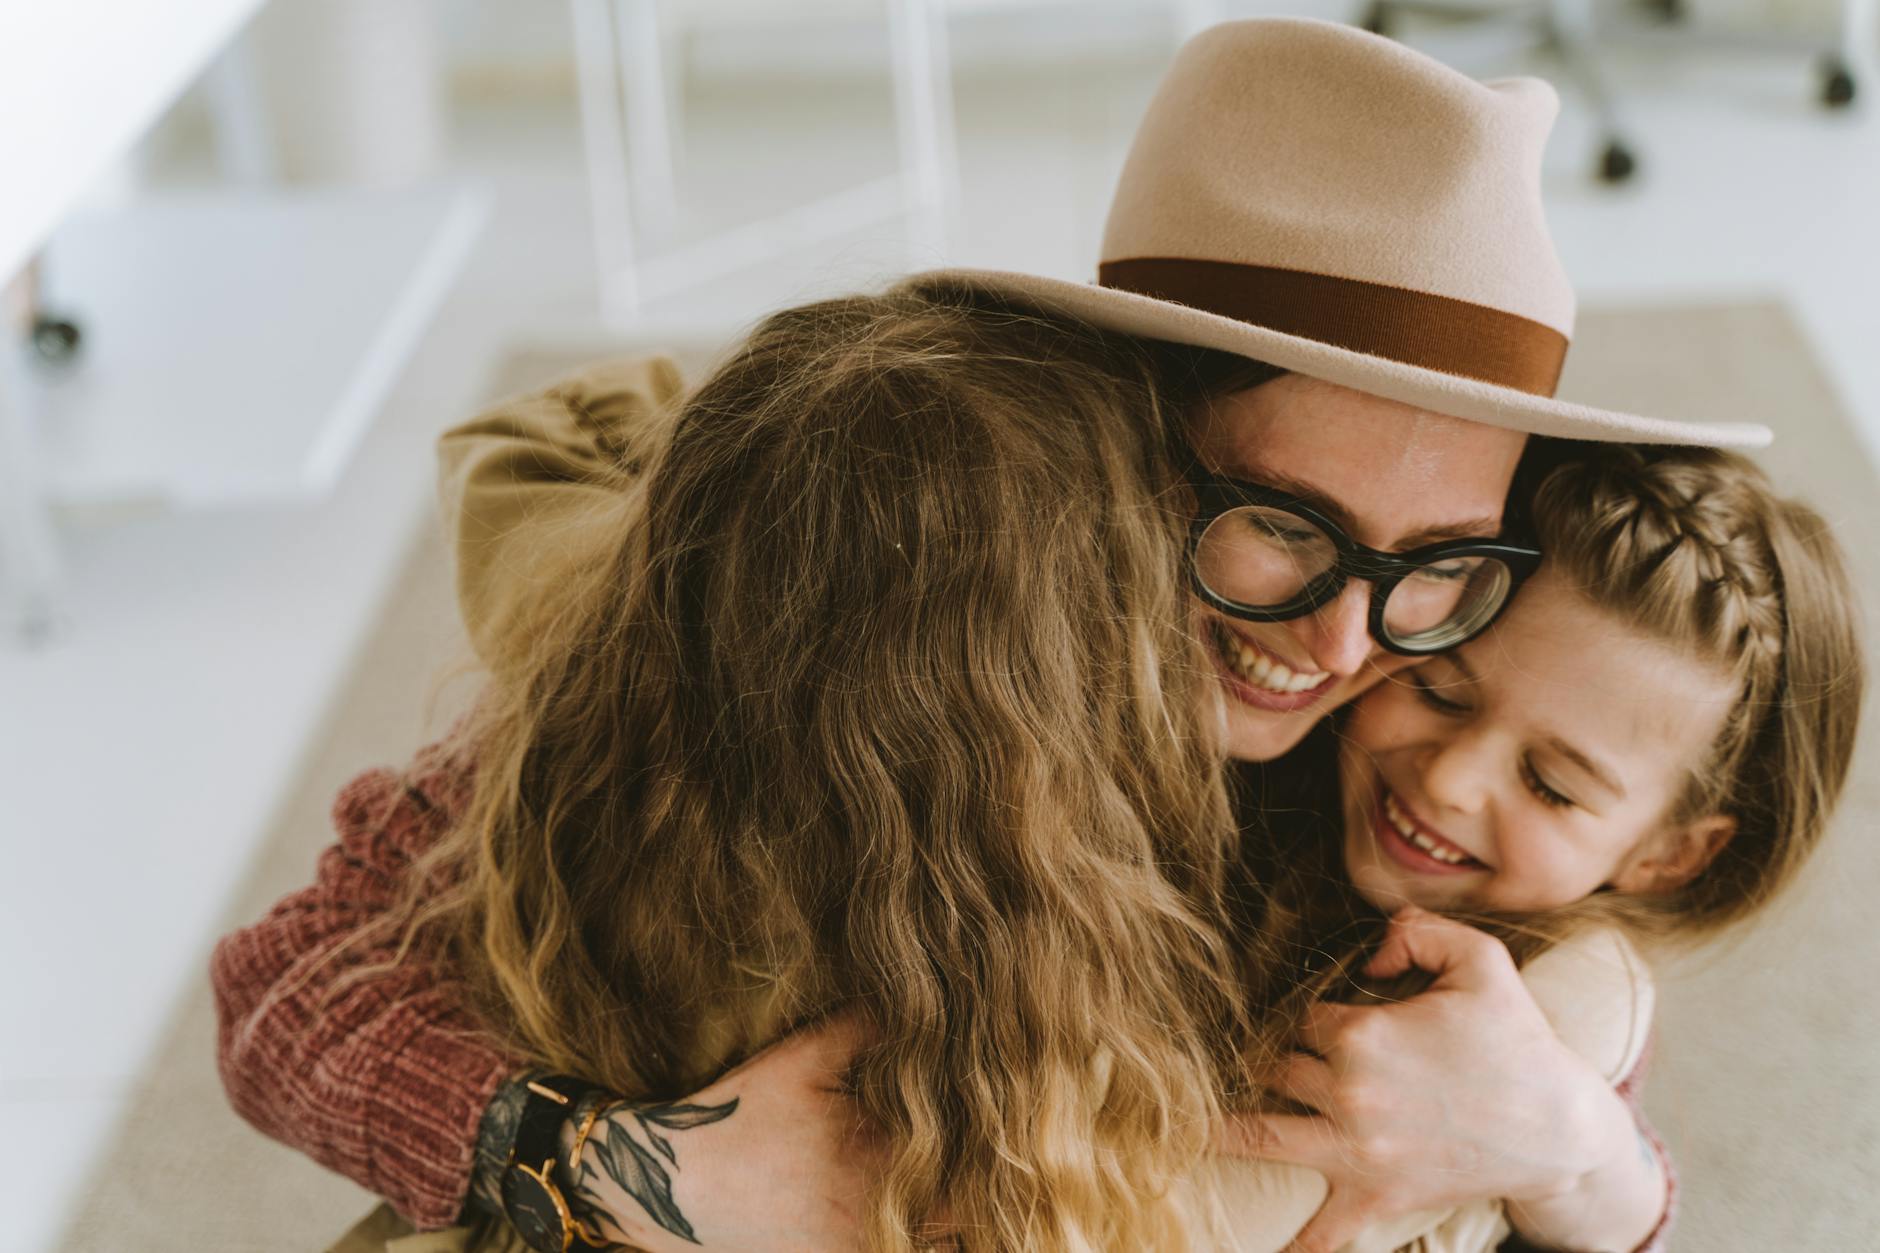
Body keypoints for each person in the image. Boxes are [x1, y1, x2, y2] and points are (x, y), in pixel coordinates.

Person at [211, 17, 1774, 1253]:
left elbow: (1571, 1066)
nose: (1354, 638)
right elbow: (283, 991)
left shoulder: (1409, 765)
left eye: (1437, 567)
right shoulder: (868, 649)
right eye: (1286, 528)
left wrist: (1576, 1151)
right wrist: (613, 1167)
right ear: (1128, 452)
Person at [1219, 443, 1863, 1251]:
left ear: (1669, 855)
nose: (1452, 780)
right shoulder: (1263, 765)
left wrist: (1581, 1154)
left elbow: (1604, 1208)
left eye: (1553, 785)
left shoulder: (1563, 1003)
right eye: (1439, 690)